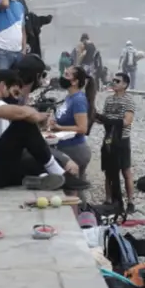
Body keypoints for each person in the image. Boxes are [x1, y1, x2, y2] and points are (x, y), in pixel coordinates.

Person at [0, 69, 78, 190]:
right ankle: (58, 173)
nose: (16, 99)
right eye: (15, 93)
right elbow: (23, 113)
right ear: (2, 86)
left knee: (36, 158)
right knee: (23, 123)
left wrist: (62, 159)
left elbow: (15, 144)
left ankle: (39, 178)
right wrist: (38, 116)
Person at [51, 65, 92, 202]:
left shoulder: (78, 100)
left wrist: (59, 128)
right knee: (74, 189)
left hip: (75, 149)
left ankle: (83, 217)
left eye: (67, 75)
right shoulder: (69, 97)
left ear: (75, 81)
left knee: (73, 191)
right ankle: (83, 214)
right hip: (65, 147)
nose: (63, 76)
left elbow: (82, 128)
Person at [99, 72, 137, 213]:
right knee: (108, 171)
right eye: (113, 80)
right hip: (108, 138)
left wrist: (108, 121)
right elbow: (103, 118)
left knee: (125, 170)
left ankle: (130, 201)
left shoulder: (129, 100)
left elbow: (127, 121)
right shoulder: (109, 100)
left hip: (122, 140)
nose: (113, 82)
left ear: (125, 84)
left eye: (117, 81)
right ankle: (109, 199)